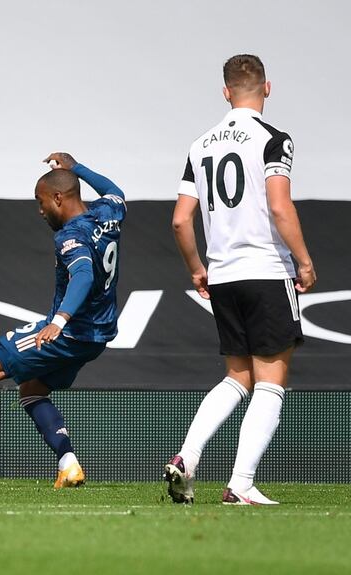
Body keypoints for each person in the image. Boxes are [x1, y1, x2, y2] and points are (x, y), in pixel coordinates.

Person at [164, 54, 315, 506]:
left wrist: (197, 268)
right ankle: (242, 483)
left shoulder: (200, 144)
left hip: (223, 274)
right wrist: (304, 261)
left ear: (226, 92)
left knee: (237, 376)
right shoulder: (274, 139)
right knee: (270, 381)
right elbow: (280, 207)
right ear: (266, 88)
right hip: (266, 270)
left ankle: (187, 459)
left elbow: (179, 221)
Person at [0, 152, 126, 487]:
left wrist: (59, 320)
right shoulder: (109, 215)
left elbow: (83, 275)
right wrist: (75, 168)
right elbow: (114, 190)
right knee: (31, 388)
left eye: (41, 201)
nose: (39, 210)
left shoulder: (71, 236)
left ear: (59, 197)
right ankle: (69, 463)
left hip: (70, 332)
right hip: (99, 334)